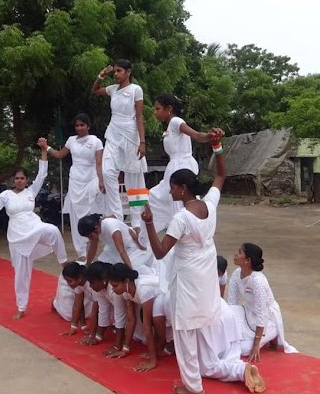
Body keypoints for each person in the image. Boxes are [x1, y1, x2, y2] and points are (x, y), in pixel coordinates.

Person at [141, 139, 266, 394]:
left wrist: (149, 223)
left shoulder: (181, 218)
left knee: (185, 332)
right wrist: (217, 147)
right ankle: (220, 367)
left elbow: (160, 252)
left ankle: (194, 386)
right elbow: (221, 174)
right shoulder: (209, 204)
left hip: (187, 280)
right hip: (207, 276)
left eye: (172, 187)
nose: (170, 192)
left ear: (183, 188)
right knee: (203, 322)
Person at [0, 138, 69, 319]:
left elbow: (42, 174)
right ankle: (21, 307)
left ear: (26, 180)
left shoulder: (30, 192)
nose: (19, 181)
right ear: (13, 180)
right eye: (17, 178)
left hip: (34, 227)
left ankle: (64, 263)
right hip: (17, 237)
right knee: (21, 274)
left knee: (53, 231)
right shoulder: (5, 195)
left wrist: (43, 150)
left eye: (22, 178)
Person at [146, 94, 224, 233]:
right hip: (174, 166)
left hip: (182, 166)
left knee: (181, 203)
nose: (155, 112)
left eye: (157, 108)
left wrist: (209, 136)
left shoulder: (176, 122)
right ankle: (160, 228)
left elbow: (196, 135)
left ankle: (187, 231)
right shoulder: (170, 126)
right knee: (154, 197)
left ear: (168, 109)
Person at [92, 59, 147, 224]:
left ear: (128, 72)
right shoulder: (113, 89)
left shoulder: (136, 90)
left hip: (130, 134)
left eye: (119, 71)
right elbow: (94, 90)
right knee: (108, 172)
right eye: (114, 71)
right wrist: (102, 74)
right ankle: (116, 214)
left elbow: (139, 116)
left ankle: (137, 221)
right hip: (113, 132)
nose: (115, 74)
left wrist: (142, 142)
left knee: (133, 179)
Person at [47, 113, 105, 258]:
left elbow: (99, 163)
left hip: (91, 178)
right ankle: (81, 251)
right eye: (77, 125)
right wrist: (46, 147)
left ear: (88, 126)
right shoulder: (71, 140)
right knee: (75, 213)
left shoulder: (96, 141)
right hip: (75, 179)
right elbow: (60, 155)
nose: (79, 128)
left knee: (92, 211)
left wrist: (101, 180)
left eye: (82, 125)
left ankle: (95, 243)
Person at [227, 243, 297, 359]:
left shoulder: (258, 281)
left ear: (247, 260)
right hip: (249, 312)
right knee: (227, 311)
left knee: (243, 350)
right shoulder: (236, 274)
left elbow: (262, 313)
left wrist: (256, 344)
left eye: (239, 252)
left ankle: (273, 334)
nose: (235, 254)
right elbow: (232, 303)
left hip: (268, 319)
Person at [106, 263, 169, 373]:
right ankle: (157, 351)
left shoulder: (143, 289)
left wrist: (151, 360)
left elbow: (147, 326)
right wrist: (125, 349)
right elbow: (130, 320)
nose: (113, 289)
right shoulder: (126, 292)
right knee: (148, 322)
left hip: (166, 294)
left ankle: (157, 354)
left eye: (115, 286)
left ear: (126, 281)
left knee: (155, 319)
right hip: (154, 299)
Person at [77, 213, 154, 272]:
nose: (90, 239)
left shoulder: (111, 226)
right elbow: (92, 249)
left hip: (132, 249)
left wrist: (130, 272)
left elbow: (122, 251)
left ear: (96, 229)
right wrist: (88, 265)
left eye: (90, 236)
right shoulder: (96, 229)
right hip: (114, 249)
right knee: (102, 265)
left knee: (133, 268)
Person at [53, 262, 93, 329]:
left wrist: (93, 335)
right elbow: (78, 304)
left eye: (70, 281)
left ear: (79, 278)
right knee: (68, 316)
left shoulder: (92, 285)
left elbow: (98, 309)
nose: (68, 284)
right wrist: (75, 326)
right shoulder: (79, 283)